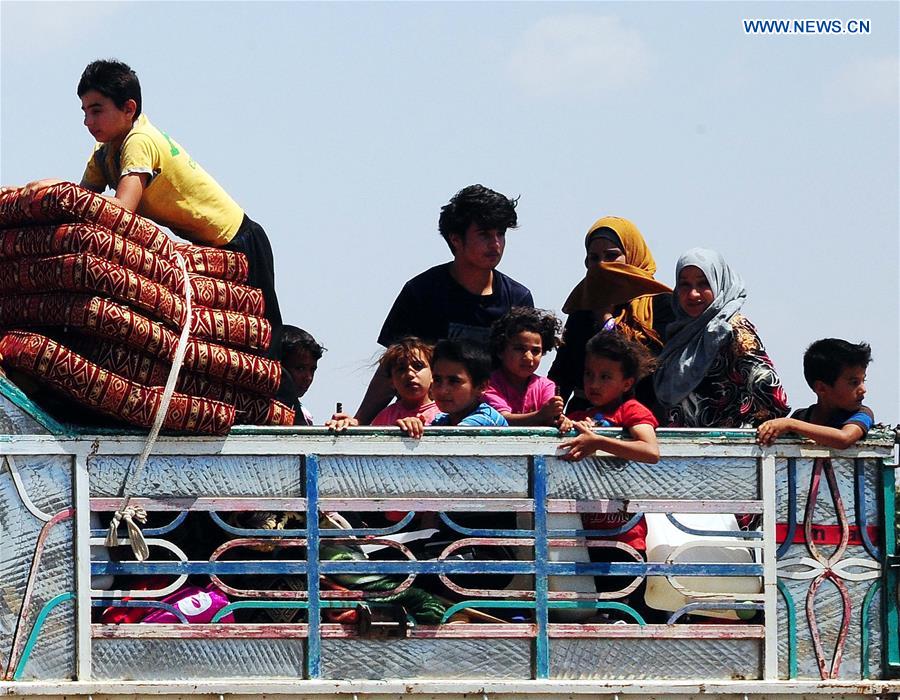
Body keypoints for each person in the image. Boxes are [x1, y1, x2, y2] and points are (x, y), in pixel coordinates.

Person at [13, 59, 282, 326]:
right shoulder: (104, 152)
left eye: (96, 110)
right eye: (84, 111)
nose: (87, 121)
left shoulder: (139, 141)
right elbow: (82, 205)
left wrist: (56, 189)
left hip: (238, 240)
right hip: (207, 248)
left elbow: (120, 209)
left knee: (266, 341)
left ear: (129, 108)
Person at [348, 185, 533, 424]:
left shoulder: (518, 299)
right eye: (485, 234)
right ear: (456, 239)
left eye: (501, 234)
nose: (496, 244)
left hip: (498, 426)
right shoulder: (422, 292)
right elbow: (393, 365)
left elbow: (524, 372)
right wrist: (359, 421)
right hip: (429, 426)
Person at [549, 216, 673, 415]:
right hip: (585, 420)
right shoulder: (582, 310)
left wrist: (606, 321)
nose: (602, 265)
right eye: (594, 258)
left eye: (611, 256)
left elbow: (650, 365)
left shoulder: (662, 304)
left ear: (632, 256)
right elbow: (563, 373)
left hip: (641, 418)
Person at [653, 248, 789, 428]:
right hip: (685, 451)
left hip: (731, 450)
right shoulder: (681, 333)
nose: (693, 294)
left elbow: (769, 391)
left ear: (718, 283)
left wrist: (744, 431)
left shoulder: (732, 328)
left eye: (703, 284)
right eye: (685, 284)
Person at [558, 331, 660, 465]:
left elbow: (650, 452)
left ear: (627, 384)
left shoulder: (631, 410)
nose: (594, 384)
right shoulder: (580, 415)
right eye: (589, 374)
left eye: (605, 377)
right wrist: (569, 424)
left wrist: (598, 442)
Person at [757, 339, 874, 449]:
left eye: (863, 380)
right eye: (854, 383)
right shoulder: (802, 417)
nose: (863, 389)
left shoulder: (861, 414)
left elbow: (844, 438)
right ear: (821, 388)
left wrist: (790, 424)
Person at [327, 337, 440, 438]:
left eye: (418, 366)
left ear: (433, 375)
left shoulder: (444, 412)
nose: (410, 374)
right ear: (391, 381)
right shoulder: (385, 416)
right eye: (401, 369)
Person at [483, 307, 569, 428]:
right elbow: (502, 420)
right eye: (519, 349)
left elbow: (551, 417)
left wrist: (562, 420)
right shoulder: (488, 384)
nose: (529, 357)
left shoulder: (546, 386)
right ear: (500, 351)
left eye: (535, 351)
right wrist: (540, 415)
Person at [403, 340, 508, 431]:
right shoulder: (442, 420)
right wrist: (413, 425)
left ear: (481, 387)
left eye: (453, 381)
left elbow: (453, 438)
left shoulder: (484, 420)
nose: (442, 390)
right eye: (437, 380)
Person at [279, 325, 325, 426]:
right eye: (300, 368)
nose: (308, 377)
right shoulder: (263, 411)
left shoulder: (302, 414)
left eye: (312, 370)